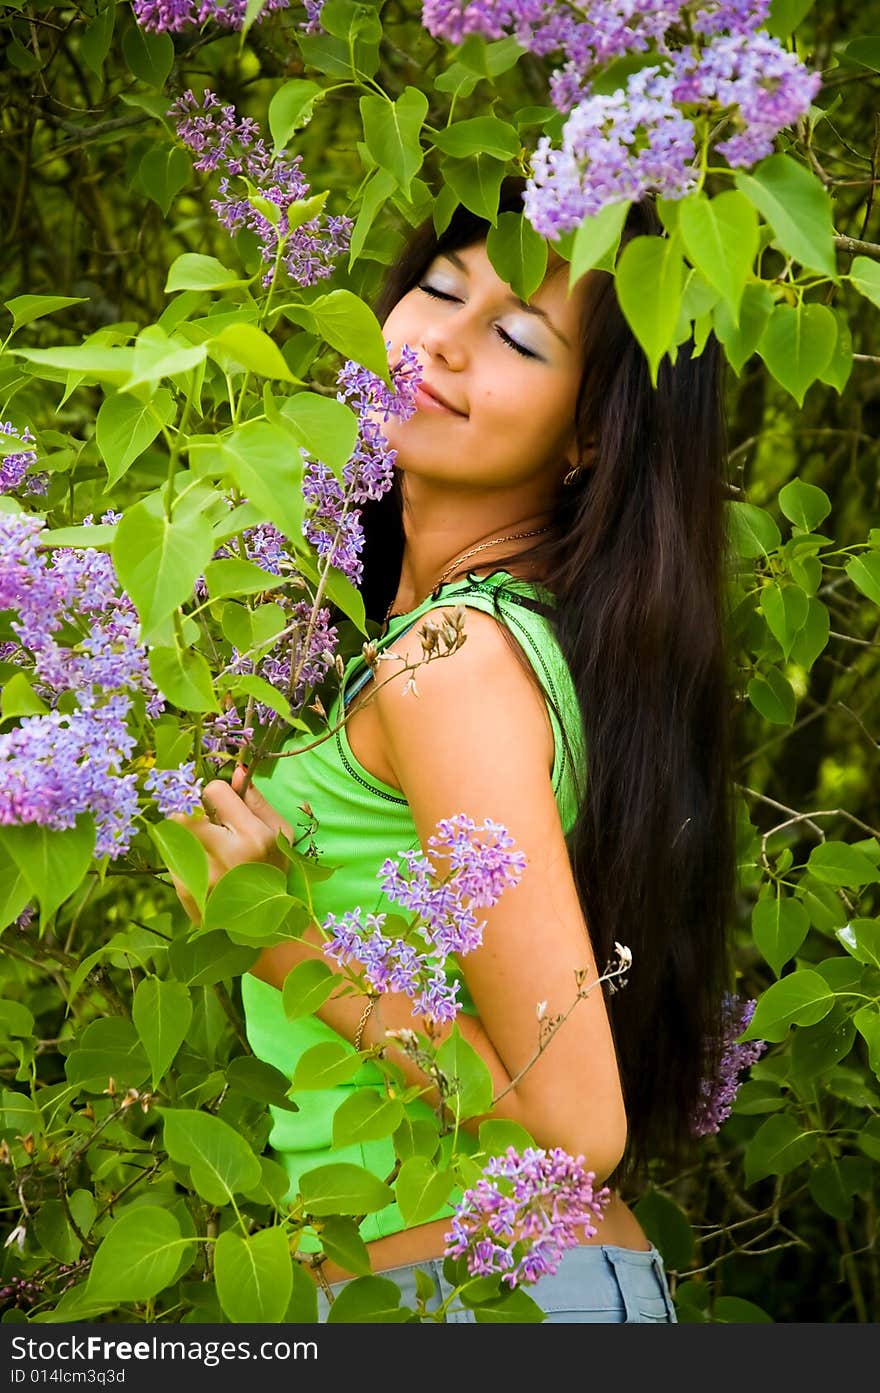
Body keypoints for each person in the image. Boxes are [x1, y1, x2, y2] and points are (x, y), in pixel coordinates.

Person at [170, 176, 736, 1323]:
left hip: (474, 1300)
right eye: (437, 287)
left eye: (517, 338)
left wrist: (290, 945)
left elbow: (578, 1125)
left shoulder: (453, 657)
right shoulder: (489, 640)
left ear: (589, 433)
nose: (442, 344)